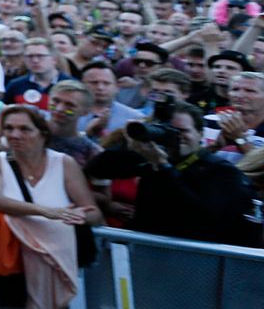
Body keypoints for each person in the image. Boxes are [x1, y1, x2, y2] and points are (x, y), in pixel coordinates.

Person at [0, 105, 103, 309]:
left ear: (42, 133)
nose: (15, 135)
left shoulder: (64, 163)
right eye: (9, 128)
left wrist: (77, 216)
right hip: (13, 266)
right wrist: (45, 211)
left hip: (58, 261)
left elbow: (93, 212)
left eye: (25, 129)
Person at [84, 101, 258, 247]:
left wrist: (163, 166)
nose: (175, 138)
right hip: (147, 255)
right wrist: (131, 146)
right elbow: (97, 168)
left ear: (200, 134)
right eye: (168, 131)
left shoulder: (221, 171)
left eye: (183, 131)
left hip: (196, 262)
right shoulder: (149, 161)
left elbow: (202, 218)